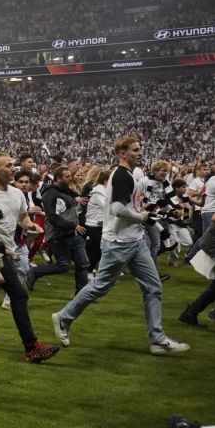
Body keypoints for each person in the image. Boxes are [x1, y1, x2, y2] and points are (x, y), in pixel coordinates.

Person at [52, 137, 189, 355]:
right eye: (135, 149)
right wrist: (142, 217)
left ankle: (157, 339)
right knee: (100, 286)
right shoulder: (122, 176)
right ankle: (63, 317)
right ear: (122, 153)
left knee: (153, 287)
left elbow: (130, 206)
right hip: (118, 242)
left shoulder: (130, 176)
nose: (140, 152)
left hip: (134, 241)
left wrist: (150, 210)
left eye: (140, 148)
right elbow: (117, 208)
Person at [0, 153, 60, 363]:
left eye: (13, 165)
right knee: (19, 294)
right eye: (8, 166)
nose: (14, 168)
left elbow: (22, 218)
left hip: (7, 250)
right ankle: (32, 347)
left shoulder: (17, 194)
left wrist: (31, 225)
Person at [27, 167, 90, 294]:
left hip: (72, 233)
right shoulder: (50, 194)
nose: (70, 178)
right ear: (58, 178)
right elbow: (51, 217)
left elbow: (70, 192)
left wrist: (76, 197)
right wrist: (72, 225)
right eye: (67, 176)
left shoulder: (64, 189)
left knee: (83, 263)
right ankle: (35, 271)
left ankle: (82, 295)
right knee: (63, 266)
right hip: (58, 235)